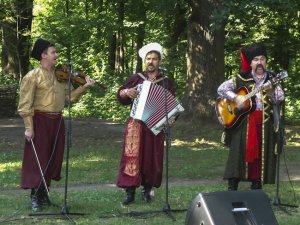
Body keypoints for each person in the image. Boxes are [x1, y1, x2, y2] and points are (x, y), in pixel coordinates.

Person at [18, 38, 95, 211]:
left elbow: (69, 98)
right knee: (38, 159)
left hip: (57, 120)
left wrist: (85, 87)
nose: (56, 55)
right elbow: (24, 105)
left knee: (53, 158)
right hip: (40, 120)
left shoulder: (60, 75)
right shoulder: (32, 76)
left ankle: (44, 194)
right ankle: (35, 197)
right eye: (53, 52)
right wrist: (29, 127)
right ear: (43, 55)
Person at [217, 42, 285, 191]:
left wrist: (270, 91)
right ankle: (233, 183)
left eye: (262, 59)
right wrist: (236, 99)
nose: (259, 62)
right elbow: (221, 89)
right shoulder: (241, 78)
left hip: (264, 122)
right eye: (256, 59)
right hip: (243, 123)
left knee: (261, 154)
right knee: (238, 152)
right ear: (251, 62)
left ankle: (256, 182)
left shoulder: (272, 78)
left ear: (266, 61)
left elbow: (279, 99)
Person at [116, 42, 175, 205]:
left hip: (155, 125)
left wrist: (171, 118)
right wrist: (128, 92)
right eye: (148, 58)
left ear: (159, 61)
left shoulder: (166, 82)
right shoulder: (137, 78)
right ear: (144, 60)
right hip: (137, 124)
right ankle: (130, 192)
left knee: (152, 157)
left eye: (154, 59)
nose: (151, 62)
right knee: (132, 156)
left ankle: (147, 189)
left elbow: (172, 105)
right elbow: (120, 95)